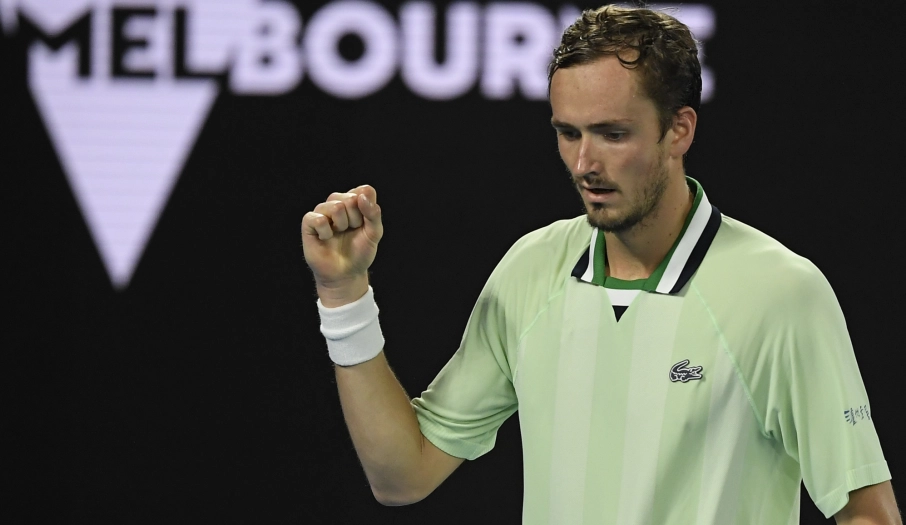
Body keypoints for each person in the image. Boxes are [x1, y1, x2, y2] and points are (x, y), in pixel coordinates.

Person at [301, 4, 901, 524]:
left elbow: (867, 513)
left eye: (613, 134)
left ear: (679, 130)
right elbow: (403, 476)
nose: (585, 163)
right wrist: (344, 294)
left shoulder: (781, 293)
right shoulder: (531, 270)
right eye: (568, 133)